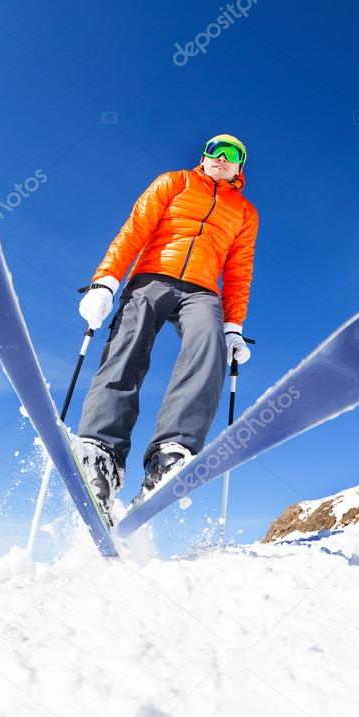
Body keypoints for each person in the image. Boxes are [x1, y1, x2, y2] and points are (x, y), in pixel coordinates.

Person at [75, 133, 259, 520]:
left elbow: (239, 271)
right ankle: (102, 453)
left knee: (209, 345)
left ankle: (170, 454)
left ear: (241, 166)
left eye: (233, 154)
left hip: (203, 291)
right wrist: (106, 280)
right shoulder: (174, 182)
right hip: (151, 277)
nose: (222, 158)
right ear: (204, 156)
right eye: (215, 150)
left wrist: (234, 327)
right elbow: (134, 230)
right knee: (129, 340)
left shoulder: (245, 212)